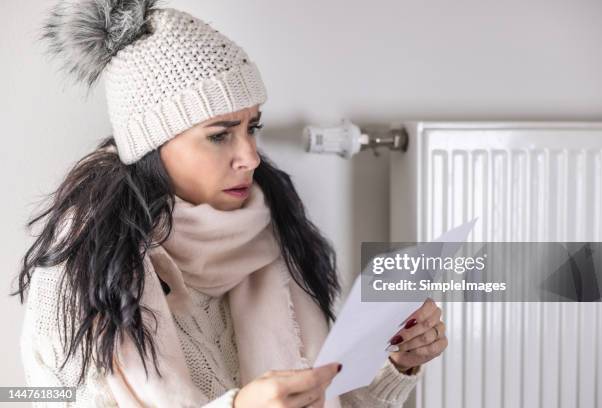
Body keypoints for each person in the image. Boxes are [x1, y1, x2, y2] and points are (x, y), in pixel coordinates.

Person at [13, 1, 447, 406]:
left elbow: (326, 397)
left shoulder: (268, 235)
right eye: (220, 135)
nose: (251, 157)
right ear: (152, 146)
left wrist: (397, 361)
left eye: (252, 127)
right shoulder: (82, 274)